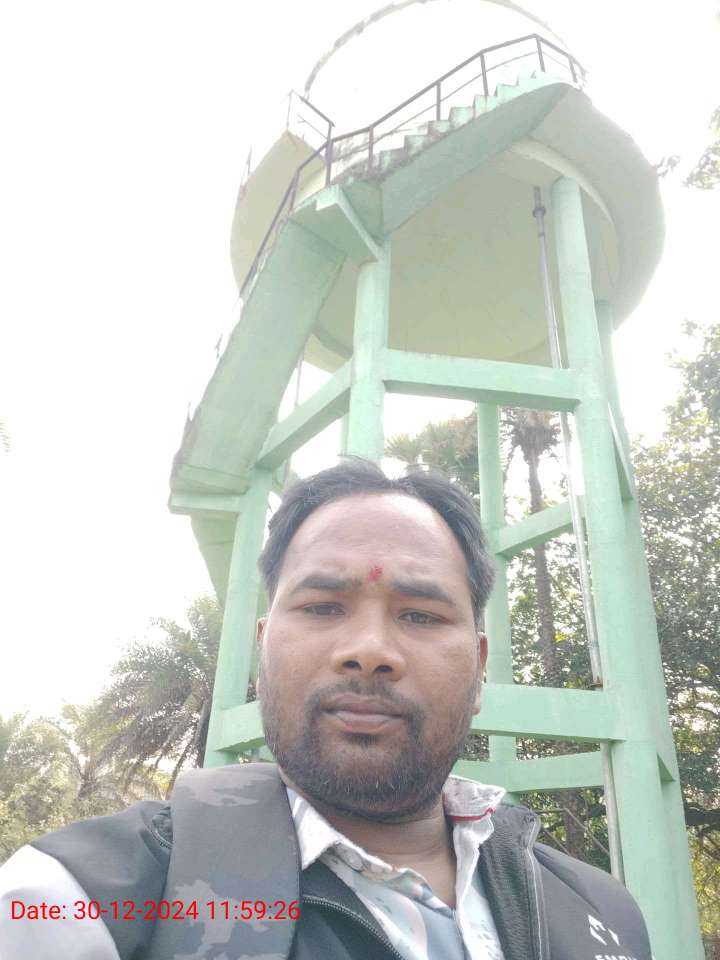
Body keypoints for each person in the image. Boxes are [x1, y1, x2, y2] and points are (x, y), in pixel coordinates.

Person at [0, 458, 652, 960]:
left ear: (479, 668)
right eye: (321, 607)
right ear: (264, 652)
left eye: (421, 615)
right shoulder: (77, 902)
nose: (368, 651)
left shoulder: (604, 916)